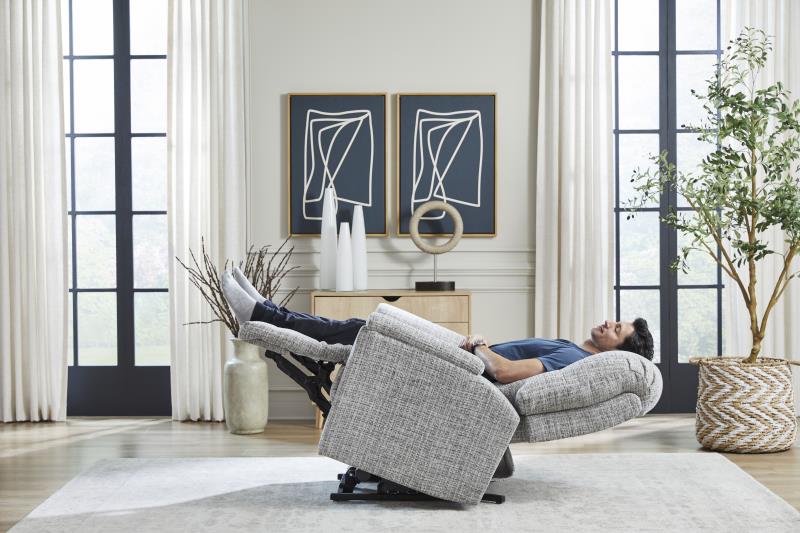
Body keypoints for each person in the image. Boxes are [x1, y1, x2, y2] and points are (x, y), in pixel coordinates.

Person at [221, 268, 655, 384]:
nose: (607, 322)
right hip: (462, 355)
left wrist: (479, 344)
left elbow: (504, 372)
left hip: (461, 364)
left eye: (616, 329)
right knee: (361, 326)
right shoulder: (572, 350)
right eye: (615, 320)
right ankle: (264, 310)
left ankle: (262, 314)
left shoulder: (572, 359)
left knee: (362, 329)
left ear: (617, 350)